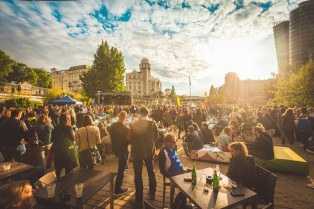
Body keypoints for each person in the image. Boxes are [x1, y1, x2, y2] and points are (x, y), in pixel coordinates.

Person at [127, 106, 158, 207]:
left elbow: (129, 138)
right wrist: (151, 143)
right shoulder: (153, 122)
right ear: (148, 113)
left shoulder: (134, 123)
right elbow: (157, 136)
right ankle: (153, 192)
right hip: (149, 150)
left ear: (140, 113)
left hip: (137, 151)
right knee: (151, 171)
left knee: (138, 174)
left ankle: (139, 198)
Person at [108, 111, 130, 196]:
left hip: (115, 149)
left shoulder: (112, 125)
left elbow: (110, 134)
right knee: (122, 169)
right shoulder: (126, 128)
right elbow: (129, 140)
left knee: (122, 168)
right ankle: (118, 188)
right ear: (126, 117)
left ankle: (118, 187)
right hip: (123, 150)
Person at [50, 113, 77, 179]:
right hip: (67, 150)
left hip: (58, 150)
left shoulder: (56, 127)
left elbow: (52, 139)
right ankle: (67, 183)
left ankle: (58, 182)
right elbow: (73, 138)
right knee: (68, 168)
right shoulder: (68, 127)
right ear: (67, 119)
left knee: (58, 168)